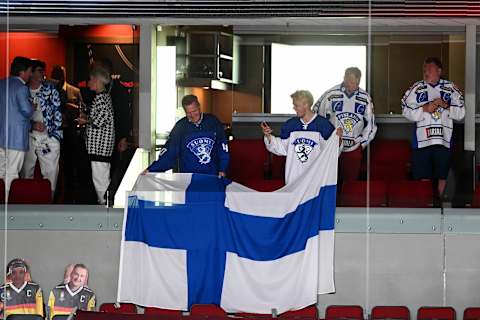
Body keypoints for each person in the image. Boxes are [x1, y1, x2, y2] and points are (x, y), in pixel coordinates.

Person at [401, 57, 465, 201]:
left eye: (429, 69)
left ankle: (438, 205)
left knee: (442, 175)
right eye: (424, 69)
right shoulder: (416, 88)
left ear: (439, 70)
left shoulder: (451, 87)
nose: (426, 72)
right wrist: (425, 108)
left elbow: (461, 113)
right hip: (422, 140)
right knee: (422, 176)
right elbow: (405, 110)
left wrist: (445, 105)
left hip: (443, 140)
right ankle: (425, 204)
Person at [261, 90, 341, 184]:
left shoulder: (323, 125)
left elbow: (330, 152)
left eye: (296, 105)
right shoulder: (290, 124)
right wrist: (269, 136)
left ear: (306, 105)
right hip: (294, 178)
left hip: (315, 178)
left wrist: (338, 139)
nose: (294, 108)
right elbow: (282, 148)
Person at [313, 67, 377, 181]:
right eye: (352, 82)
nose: (355, 86)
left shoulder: (365, 97)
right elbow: (317, 116)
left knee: (351, 184)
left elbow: (371, 126)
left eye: (357, 83)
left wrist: (361, 143)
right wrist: (325, 141)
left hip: (354, 148)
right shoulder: (330, 94)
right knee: (329, 181)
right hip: (332, 146)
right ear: (345, 78)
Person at [145, 94, 229, 177]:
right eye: (188, 113)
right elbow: (170, 153)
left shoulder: (213, 122)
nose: (192, 115)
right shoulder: (180, 127)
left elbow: (222, 147)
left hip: (212, 176)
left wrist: (223, 168)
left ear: (199, 107)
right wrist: (151, 169)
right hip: (188, 178)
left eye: (194, 111)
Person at [95, 58, 134, 205]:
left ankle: (110, 199)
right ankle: (103, 199)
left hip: (116, 136)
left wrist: (123, 137)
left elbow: (125, 114)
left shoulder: (119, 90)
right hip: (102, 140)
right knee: (102, 171)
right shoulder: (98, 91)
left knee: (114, 170)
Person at [21, 59, 62, 195]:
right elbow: (18, 117)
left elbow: (58, 114)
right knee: (26, 172)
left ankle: (49, 203)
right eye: (39, 70)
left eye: (43, 71)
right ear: (31, 73)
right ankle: (26, 202)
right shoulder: (22, 91)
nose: (43, 74)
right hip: (28, 137)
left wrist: (54, 136)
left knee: (50, 173)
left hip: (47, 138)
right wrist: (32, 125)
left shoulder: (50, 90)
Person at [76, 67, 115, 205]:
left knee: (100, 178)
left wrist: (85, 120)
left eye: (91, 79)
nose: (89, 82)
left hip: (100, 147)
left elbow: (101, 120)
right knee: (100, 177)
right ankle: (105, 204)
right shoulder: (103, 97)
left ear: (97, 80)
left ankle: (105, 206)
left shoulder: (102, 98)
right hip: (100, 147)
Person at [0, 56, 33, 192]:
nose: (31, 74)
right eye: (30, 71)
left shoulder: (1, 84)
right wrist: (32, 106)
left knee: (1, 171)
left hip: (1, 136)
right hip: (16, 138)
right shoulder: (21, 88)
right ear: (22, 72)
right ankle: (8, 206)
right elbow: (26, 111)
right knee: (12, 173)